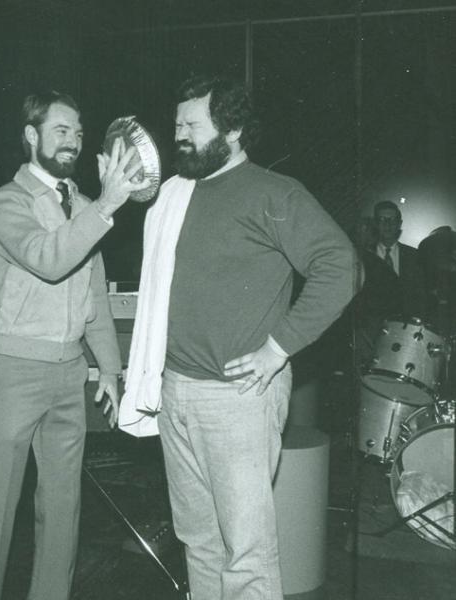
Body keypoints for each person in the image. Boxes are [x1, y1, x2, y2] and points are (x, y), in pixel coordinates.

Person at [119, 74, 357, 600]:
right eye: (177, 123)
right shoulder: (176, 194)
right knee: (198, 541)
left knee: (245, 553)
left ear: (232, 131)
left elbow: (340, 266)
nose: (178, 135)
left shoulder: (275, 193)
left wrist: (279, 348)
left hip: (238, 400)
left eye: (192, 126)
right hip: (173, 392)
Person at [0, 90, 148, 600]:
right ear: (31, 136)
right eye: (61, 130)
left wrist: (108, 367)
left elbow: (93, 294)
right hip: (11, 370)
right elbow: (47, 259)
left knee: (64, 512)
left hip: (69, 375)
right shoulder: (8, 201)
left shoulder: (86, 207)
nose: (74, 141)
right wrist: (108, 204)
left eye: (79, 133)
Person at [372, 200, 427, 319]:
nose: (387, 224)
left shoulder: (415, 256)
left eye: (392, 219)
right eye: (382, 219)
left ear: (399, 224)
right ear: (375, 224)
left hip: (404, 327)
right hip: (370, 326)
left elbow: (421, 298)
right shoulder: (363, 256)